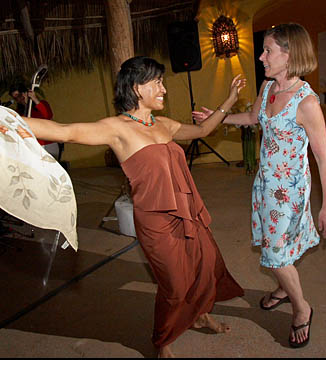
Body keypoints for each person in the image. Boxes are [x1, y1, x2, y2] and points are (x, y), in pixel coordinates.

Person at [23, 56, 246, 358]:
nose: (164, 89)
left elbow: (203, 130)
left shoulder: (163, 124)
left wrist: (230, 99)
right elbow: (65, 131)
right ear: (137, 87)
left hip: (186, 212)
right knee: (176, 285)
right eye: (157, 82)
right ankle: (162, 339)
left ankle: (200, 314)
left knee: (204, 269)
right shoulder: (117, 128)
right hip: (156, 221)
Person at [194, 23, 326, 349]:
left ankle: (302, 309)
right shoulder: (268, 88)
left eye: (268, 50)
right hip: (265, 184)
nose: (261, 57)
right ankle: (285, 289)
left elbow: (324, 160)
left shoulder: (307, 103)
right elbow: (253, 119)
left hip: (290, 192)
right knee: (278, 249)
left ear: (289, 55)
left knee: (274, 253)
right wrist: (216, 118)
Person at [9, 82, 60, 160]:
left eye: (19, 95)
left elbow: (48, 115)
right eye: (16, 98)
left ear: (25, 93)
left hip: (48, 143)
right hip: (34, 145)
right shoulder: (19, 112)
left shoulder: (41, 104)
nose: (19, 99)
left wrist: (34, 99)